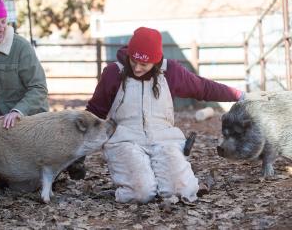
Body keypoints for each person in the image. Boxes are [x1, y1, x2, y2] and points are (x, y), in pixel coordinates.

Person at [86, 27, 244, 203]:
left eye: (144, 64)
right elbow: (94, 112)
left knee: (183, 190)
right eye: (134, 61)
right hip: (125, 141)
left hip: (164, 139)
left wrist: (240, 96)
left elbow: (204, 88)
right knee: (141, 193)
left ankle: (160, 180)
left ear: (156, 61)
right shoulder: (113, 73)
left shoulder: (171, 72)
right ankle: (138, 183)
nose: (137, 68)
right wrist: (75, 151)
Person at [0, 0, 85, 181]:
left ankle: (63, 161)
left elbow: (38, 87)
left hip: (29, 123)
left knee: (24, 188)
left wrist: (17, 111)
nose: (1, 28)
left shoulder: (21, 47)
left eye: (3, 22)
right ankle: (1, 169)